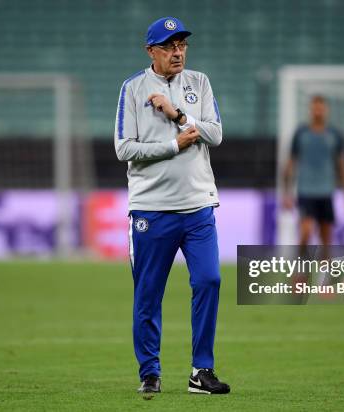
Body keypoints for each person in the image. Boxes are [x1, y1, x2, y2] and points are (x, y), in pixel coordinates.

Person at [114, 16, 230, 397]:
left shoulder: (199, 82)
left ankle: (202, 370)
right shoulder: (132, 89)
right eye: (169, 45)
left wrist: (178, 115)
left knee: (210, 280)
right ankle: (150, 371)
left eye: (182, 44)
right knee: (148, 294)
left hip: (198, 207)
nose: (178, 51)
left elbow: (214, 133)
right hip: (151, 210)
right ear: (151, 51)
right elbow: (124, 148)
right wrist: (173, 145)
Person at [283, 95, 344, 257]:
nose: (318, 111)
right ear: (310, 110)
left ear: (326, 110)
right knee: (306, 232)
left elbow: (342, 165)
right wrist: (286, 193)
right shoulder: (301, 133)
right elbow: (291, 163)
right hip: (306, 191)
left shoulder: (334, 135)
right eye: (315, 107)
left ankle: (324, 277)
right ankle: (300, 270)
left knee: (326, 239)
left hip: (326, 192)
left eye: (321, 108)